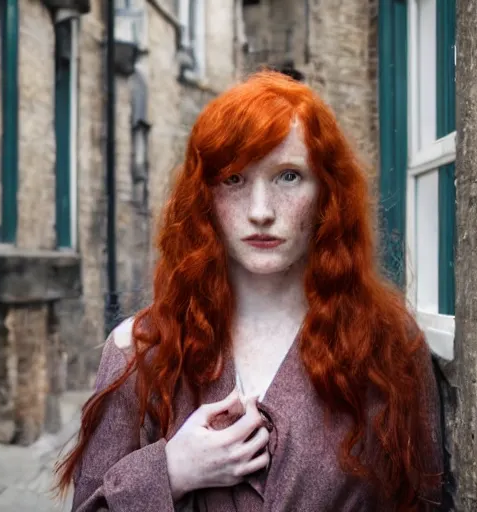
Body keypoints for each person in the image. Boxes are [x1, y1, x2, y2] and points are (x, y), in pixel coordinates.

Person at [54, 70, 443, 511]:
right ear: (205, 198)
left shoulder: (388, 346)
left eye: (289, 177)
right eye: (234, 180)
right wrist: (170, 473)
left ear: (326, 196)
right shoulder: (140, 351)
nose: (261, 211)